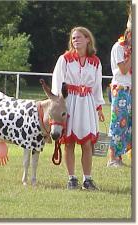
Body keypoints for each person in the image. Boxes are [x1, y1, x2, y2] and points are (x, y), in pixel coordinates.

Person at [51, 26, 105, 190]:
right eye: (73, 38)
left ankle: (87, 179)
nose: (75, 40)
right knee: (69, 142)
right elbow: (57, 82)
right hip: (70, 101)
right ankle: (71, 179)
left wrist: (99, 107)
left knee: (87, 143)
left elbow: (97, 86)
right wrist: (58, 103)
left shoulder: (95, 61)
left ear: (88, 39)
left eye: (79, 37)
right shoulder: (65, 59)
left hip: (87, 103)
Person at [107, 27, 132, 167]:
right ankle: (112, 158)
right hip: (120, 89)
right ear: (128, 34)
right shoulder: (118, 47)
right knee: (117, 124)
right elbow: (123, 70)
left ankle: (119, 157)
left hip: (131, 89)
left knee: (127, 125)